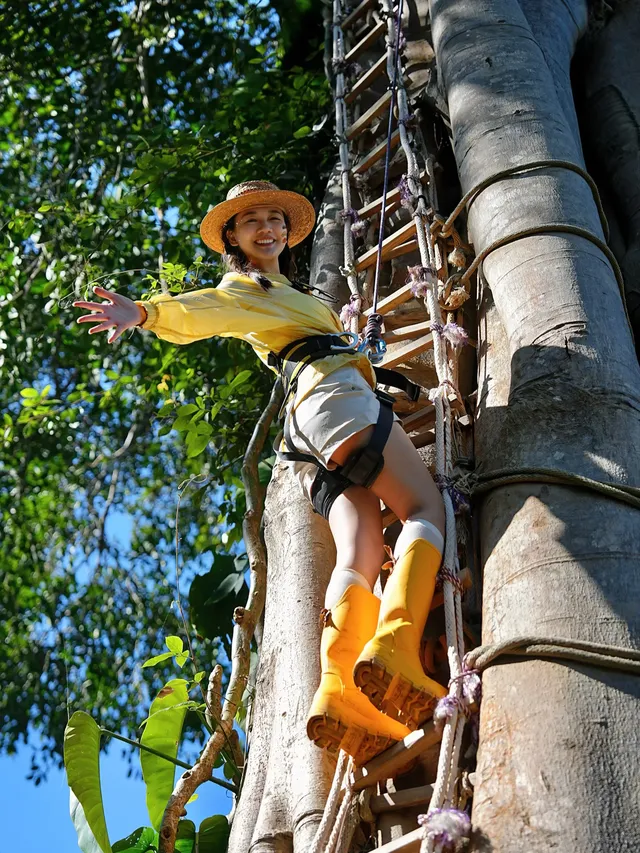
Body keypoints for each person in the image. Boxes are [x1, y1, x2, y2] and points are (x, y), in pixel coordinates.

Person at [74, 180, 446, 764]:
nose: (268, 229)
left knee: (362, 552)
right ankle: (396, 645)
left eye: (276, 219)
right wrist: (145, 313)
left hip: (306, 433)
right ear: (232, 238)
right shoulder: (243, 288)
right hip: (333, 399)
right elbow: (208, 311)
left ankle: (341, 690)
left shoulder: (288, 293)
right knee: (426, 510)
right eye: (252, 222)